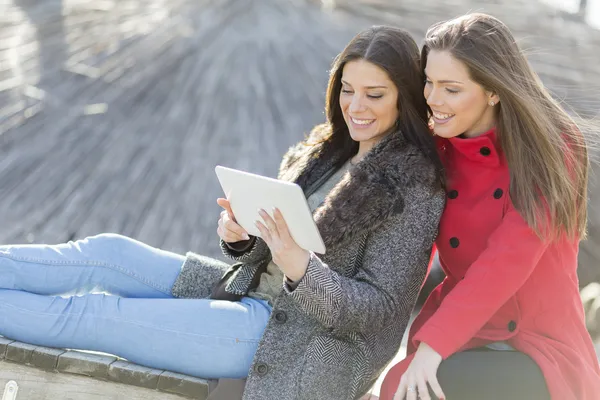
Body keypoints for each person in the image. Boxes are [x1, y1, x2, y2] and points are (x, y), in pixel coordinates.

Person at [0, 26, 445, 400]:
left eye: (374, 94)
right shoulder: (328, 153)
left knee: (97, 314)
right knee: (104, 252)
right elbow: (264, 254)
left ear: (403, 98)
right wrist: (243, 238)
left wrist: (301, 270)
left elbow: (380, 311)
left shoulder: (414, 187)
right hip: (243, 292)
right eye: (348, 90)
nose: (356, 106)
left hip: (294, 340)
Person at [380, 13, 600, 400]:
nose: (432, 99)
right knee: (400, 389)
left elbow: (507, 259)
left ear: (493, 90)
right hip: (465, 332)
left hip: (539, 343)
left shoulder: (555, 148)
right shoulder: (435, 149)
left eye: (451, 88)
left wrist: (432, 349)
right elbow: (402, 237)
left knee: (427, 388)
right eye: (429, 82)